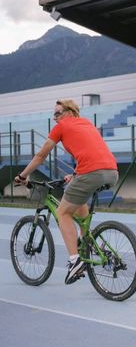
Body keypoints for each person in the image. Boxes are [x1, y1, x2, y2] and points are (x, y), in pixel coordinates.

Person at [14, 99, 118, 285]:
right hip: (111, 171)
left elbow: (41, 155)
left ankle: (75, 261)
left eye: (57, 113)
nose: (55, 118)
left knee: (62, 212)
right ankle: (86, 242)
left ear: (70, 112)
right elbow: (91, 151)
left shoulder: (61, 126)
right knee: (77, 201)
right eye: (53, 114)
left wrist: (22, 176)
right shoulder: (86, 123)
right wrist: (76, 173)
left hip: (91, 173)